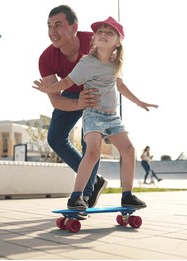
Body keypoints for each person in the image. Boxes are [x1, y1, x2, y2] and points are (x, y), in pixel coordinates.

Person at [34, 16, 158, 209]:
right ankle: (77, 196)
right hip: (93, 114)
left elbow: (120, 85)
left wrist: (139, 102)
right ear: (93, 39)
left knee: (129, 150)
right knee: (92, 151)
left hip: (112, 117)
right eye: (100, 32)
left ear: (118, 43)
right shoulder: (86, 63)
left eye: (109, 33)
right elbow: (67, 82)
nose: (103, 34)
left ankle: (127, 195)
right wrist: (49, 89)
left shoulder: (116, 64)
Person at [37, 5, 108, 209]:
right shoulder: (46, 58)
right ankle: (94, 181)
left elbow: (113, 68)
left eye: (58, 25)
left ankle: (84, 194)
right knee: (55, 137)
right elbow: (56, 100)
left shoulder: (93, 42)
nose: (52, 32)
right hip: (71, 94)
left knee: (90, 141)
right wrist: (78, 102)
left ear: (74, 27)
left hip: (96, 92)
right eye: (49, 26)